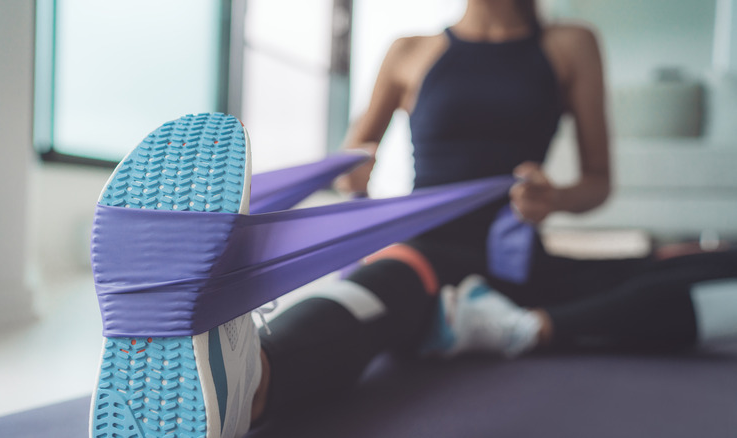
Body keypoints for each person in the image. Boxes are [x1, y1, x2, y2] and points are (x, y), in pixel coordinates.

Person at [252, 0, 737, 424]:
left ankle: (523, 327)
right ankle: (253, 381)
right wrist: (354, 172)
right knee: (377, 288)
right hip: (427, 252)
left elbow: (597, 183)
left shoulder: (570, 44)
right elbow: (353, 158)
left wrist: (556, 198)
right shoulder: (410, 50)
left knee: (708, 268)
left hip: (519, 263)